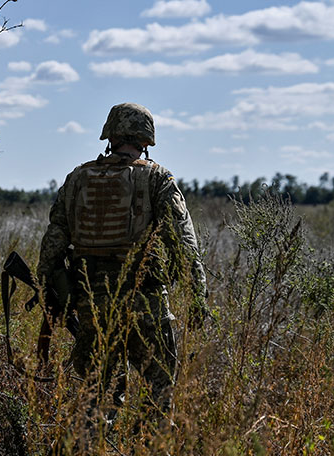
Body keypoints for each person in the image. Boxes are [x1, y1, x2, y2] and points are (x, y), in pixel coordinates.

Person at [36, 102, 208, 432]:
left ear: (110, 136)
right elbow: (183, 241)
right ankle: (150, 455)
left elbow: (54, 240)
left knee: (98, 395)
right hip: (146, 304)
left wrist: (48, 288)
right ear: (146, 139)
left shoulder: (78, 178)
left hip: (93, 304)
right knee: (160, 388)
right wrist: (197, 294)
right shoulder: (157, 179)